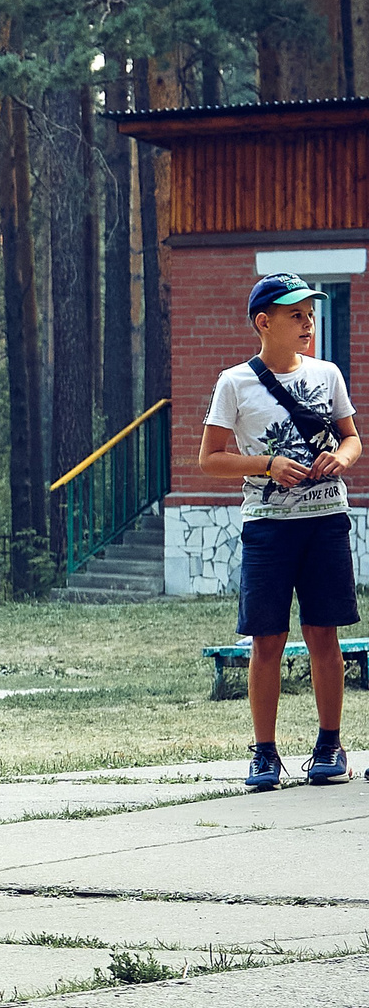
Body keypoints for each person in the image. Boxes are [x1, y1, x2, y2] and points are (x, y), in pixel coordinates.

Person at [200, 273, 362, 789]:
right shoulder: (234, 383)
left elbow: (354, 439)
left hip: (326, 523)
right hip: (268, 528)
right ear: (263, 322)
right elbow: (210, 460)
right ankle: (264, 753)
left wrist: (341, 457)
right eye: (296, 314)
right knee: (266, 640)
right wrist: (268, 464)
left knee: (324, 635)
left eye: (310, 313)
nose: (308, 322)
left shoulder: (328, 374)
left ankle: (329, 744)